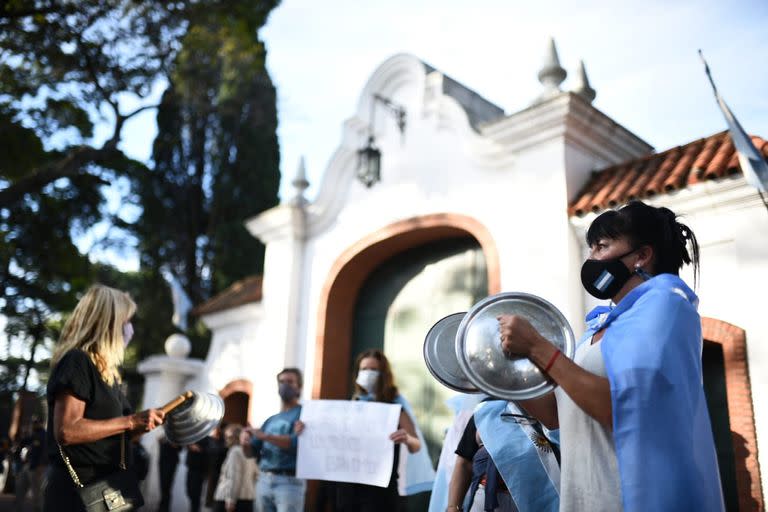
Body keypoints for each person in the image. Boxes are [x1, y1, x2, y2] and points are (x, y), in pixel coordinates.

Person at [497, 200, 724, 512]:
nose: (592, 259)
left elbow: (620, 408)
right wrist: (496, 371)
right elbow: (554, 414)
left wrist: (538, 346)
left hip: (632, 499)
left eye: (601, 247)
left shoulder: (666, 307)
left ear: (641, 256)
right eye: (591, 249)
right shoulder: (596, 331)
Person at [42, 284, 166, 512]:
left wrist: (143, 425)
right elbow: (67, 431)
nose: (130, 329)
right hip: (76, 495)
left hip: (108, 492)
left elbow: (115, 435)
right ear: (109, 323)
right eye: (126, 321)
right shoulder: (77, 362)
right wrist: (130, 421)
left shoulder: (109, 375)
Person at [335, 349, 424, 512]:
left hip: (380, 486)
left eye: (373, 369)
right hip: (348, 484)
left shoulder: (395, 407)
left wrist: (406, 438)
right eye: (364, 369)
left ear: (384, 374)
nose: (368, 373)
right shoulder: (352, 405)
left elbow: (416, 445)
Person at [446, 400, 560, 512]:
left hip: (538, 502)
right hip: (484, 500)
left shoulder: (554, 406)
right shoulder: (486, 410)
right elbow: (464, 463)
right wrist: (453, 508)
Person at [248, 368, 306, 512]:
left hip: (289, 482)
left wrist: (265, 436)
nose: (285, 385)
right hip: (264, 479)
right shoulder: (271, 420)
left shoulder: (305, 414)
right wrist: (244, 442)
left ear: (299, 387)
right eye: (282, 382)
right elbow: (250, 452)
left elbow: (295, 443)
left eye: (290, 382)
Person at [213, 424, 258, 512]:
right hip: (247, 499)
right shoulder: (249, 452)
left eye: (229, 437)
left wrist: (231, 499)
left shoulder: (235, 451)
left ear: (237, 437)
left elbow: (234, 477)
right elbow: (256, 475)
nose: (226, 440)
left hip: (229, 499)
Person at [186, 435, 212, 512]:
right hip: (191, 466)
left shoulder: (208, 437)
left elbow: (210, 450)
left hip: (200, 469)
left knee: (196, 494)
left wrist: (198, 449)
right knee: (189, 491)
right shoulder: (193, 435)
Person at [157, 434, 181, 512]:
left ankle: (164, 508)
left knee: (166, 486)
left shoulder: (177, 431)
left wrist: (168, 441)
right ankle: (161, 506)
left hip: (170, 461)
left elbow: (179, 446)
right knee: (161, 485)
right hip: (161, 459)